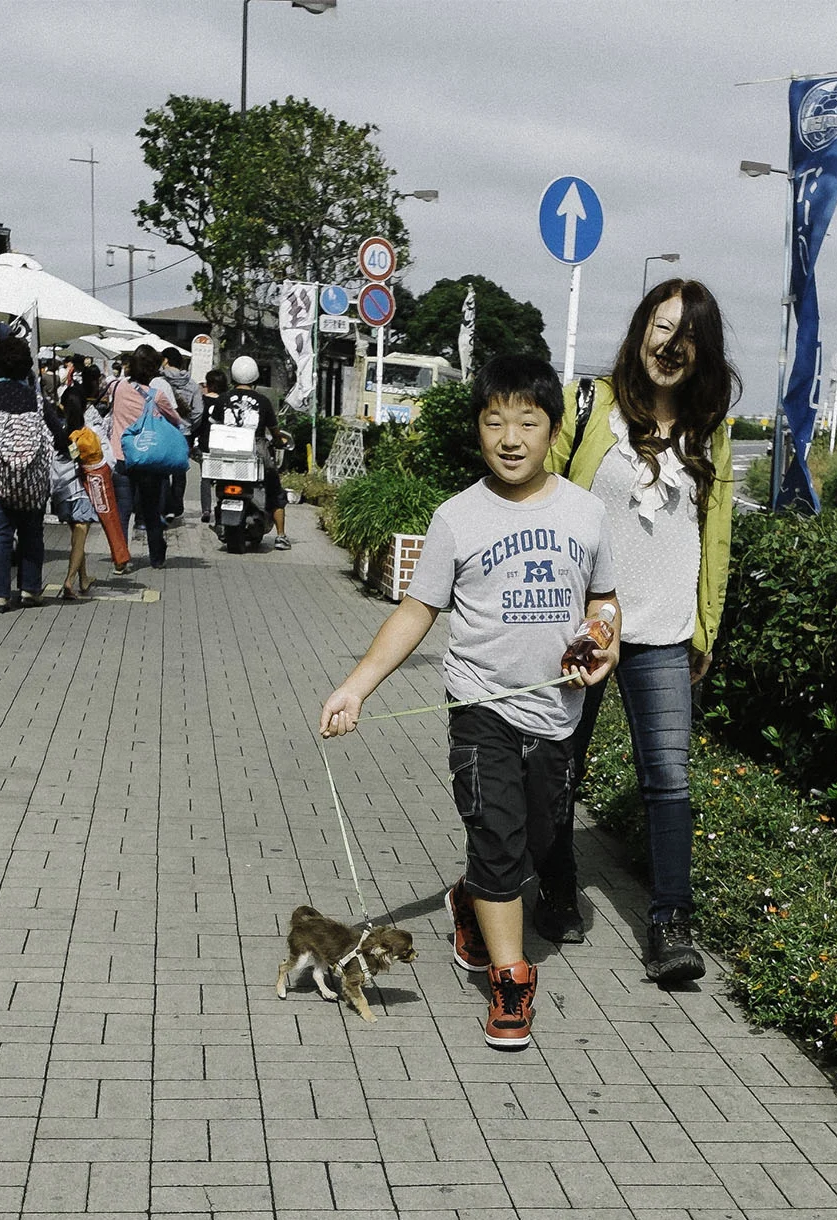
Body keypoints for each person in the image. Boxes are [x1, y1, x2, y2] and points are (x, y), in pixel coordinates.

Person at [319, 354, 619, 1050]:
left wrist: (603, 639)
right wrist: (356, 686)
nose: (510, 437)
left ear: (551, 431)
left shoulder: (587, 513)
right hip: (480, 706)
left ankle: (467, 898)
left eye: (528, 422)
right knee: (495, 836)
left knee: (539, 845)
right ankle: (511, 981)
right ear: (477, 429)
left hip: (557, 715)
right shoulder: (457, 517)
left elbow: (605, 605)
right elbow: (416, 612)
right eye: (494, 422)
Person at [535, 279, 738, 985]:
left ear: (702, 349)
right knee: (559, 767)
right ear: (640, 328)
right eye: (660, 325)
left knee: (669, 779)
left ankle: (670, 923)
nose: (670, 344)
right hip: (584, 626)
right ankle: (557, 888)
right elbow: (540, 498)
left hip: (664, 633)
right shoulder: (590, 405)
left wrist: (705, 629)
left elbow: (716, 538)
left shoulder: (710, 429)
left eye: (686, 334)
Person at [0, 337, 64, 612]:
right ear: (27, 367)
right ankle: (30, 590)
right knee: (31, 533)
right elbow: (59, 436)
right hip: (31, 480)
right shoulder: (36, 400)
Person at [106, 345, 188, 568]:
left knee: (122, 512)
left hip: (122, 458)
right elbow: (176, 420)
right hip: (149, 459)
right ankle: (156, 558)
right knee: (151, 510)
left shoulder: (118, 388)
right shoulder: (157, 395)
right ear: (153, 369)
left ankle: (120, 559)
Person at [206, 357, 289, 548]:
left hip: (225, 455)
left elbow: (213, 426)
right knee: (275, 491)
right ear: (256, 378)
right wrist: (278, 441)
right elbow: (275, 431)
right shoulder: (263, 401)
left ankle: (220, 518)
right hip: (255, 453)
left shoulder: (222, 399)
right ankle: (281, 536)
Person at [51, 365, 100, 599]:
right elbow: (86, 458)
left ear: (62, 406)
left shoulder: (55, 430)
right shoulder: (81, 434)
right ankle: (70, 581)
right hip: (78, 491)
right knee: (81, 533)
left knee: (76, 537)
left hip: (58, 493)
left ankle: (83, 578)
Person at [158, 347, 203, 526]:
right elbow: (199, 410)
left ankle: (164, 506)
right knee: (179, 472)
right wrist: (189, 424)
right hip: (184, 433)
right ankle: (177, 507)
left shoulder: (159, 381)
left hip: (163, 431)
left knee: (161, 470)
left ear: (166, 360)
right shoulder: (192, 384)